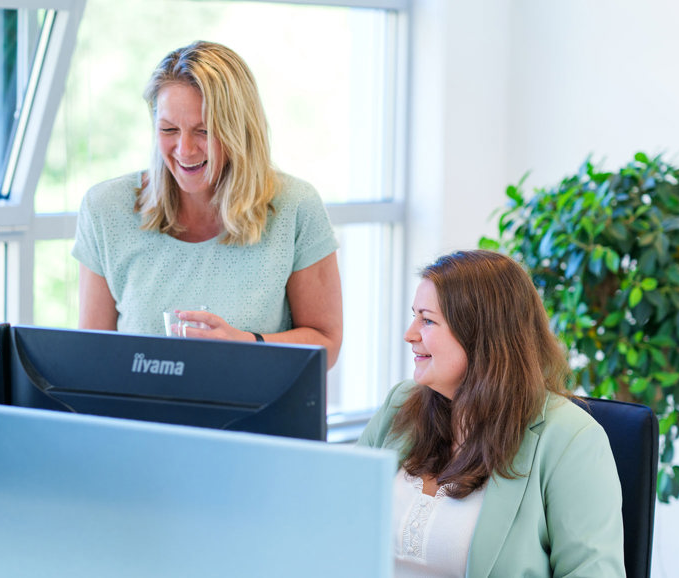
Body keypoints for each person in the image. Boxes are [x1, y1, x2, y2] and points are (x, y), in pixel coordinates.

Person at [72, 41, 342, 367]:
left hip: (255, 413)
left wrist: (245, 344)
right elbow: (92, 357)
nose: (184, 150)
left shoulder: (296, 207)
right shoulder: (105, 209)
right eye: (169, 129)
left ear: (240, 131)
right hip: (145, 416)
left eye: (204, 131)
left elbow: (326, 344)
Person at [358, 250, 625, 577]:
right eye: (414, 316)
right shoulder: (400, 405)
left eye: (427, 320)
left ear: (479, 334)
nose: (410, 334)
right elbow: (335, 519)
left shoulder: (571, 439)